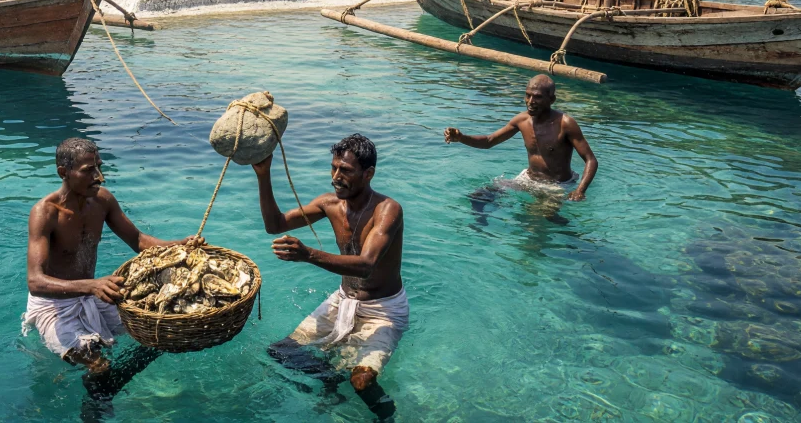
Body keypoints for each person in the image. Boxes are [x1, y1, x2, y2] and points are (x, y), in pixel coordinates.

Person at [23, 137, 201, 415]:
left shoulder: (102, 200)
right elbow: (35, 282)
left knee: (158, 333)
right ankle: (92, 411)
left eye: (99, 167)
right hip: (54, 305)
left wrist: (181, 245)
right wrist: (92, 285)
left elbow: (138, 240)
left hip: (93, 293)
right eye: (89, 170)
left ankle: (110, 387)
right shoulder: (45, 213)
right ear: (63, 172)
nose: (99, 177)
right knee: (99, 366)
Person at [255, 134, 406, 420]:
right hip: (343, 299)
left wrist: (308, 254)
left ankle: (388, 417)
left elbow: (366, 265)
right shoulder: (330, 203)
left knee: (361, 382)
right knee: (282, 352)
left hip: (382, 310)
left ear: (368, 174)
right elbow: (275, 225)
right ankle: (330, 380)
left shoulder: (387, 210)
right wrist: (263, 174)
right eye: (334, 167)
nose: (336, 177)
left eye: (345, 170)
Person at [444, 75, 599, 224]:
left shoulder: (565, 123)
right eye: (527, 95)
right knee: (479, 196)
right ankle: (480, 227)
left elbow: (591, 160)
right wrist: (461, 138)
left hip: (556, 185)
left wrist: (580, 191)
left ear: (552, 100)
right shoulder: (522, 120)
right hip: (528, 179)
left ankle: (571, 233)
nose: (530, 101)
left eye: (537, 97)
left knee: (538, 219)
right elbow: (489, 141)